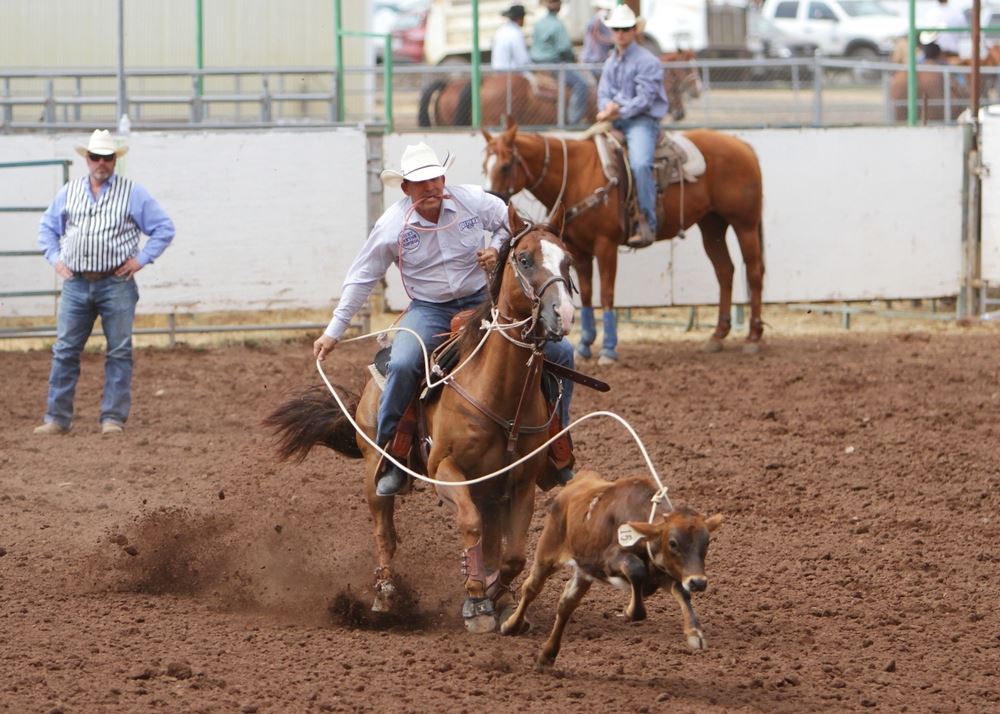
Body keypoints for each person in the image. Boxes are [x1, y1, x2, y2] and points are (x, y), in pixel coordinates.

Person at [313, 143, 575, 497]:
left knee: (560, 353)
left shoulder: (474, 200)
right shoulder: (392, 225)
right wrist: (334, 331)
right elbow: (362, 275)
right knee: (404, 363)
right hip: (429, 308)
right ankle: (392, 454)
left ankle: (557, 445)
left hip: (482, 301)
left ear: (443, 178)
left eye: (435, 180)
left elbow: (512, 228)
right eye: (421, 183)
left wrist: (497, 249)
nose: (431, 188)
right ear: (406, 188)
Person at [34, 129, 175, 436]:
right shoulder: (69, 192)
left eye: (107, 157)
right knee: (65, 350)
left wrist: (140, 260)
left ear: (115, 160)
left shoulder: (133, 193)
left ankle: (112, 418)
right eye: (96, 157)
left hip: (116, 282)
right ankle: (57, 418)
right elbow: (46, 228)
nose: (101, 162)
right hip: (76, 281)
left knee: (119, 351)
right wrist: (56, 258)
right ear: (87, 159)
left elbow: (164, 228)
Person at [597, 3, 669, 249]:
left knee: (639, 163)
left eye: (625, 28)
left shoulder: (648, 61)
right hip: (616, 120)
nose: (620, 33)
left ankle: (647, 221)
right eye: (616, 28)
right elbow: (603, 93)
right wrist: (608, 108)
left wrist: (616, 108)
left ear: (634, 30)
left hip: (642, 121)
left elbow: (645, 99)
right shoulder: (610, 62)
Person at [531, 0, 590, 125]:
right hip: (553, 63)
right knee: (582, 84)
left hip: (537, 63)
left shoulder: (538, 23)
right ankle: (574, 120)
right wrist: (573, 59)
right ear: (559, 7)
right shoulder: (558, 25)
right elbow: (564, 48)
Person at [492, 4, 531, 71]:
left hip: (497, 69)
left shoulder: (501, 30)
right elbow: (522, 58)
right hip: (511, 72)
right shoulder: (516, 33)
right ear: (520, 19)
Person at [582, 0, 615, 75]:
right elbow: (593, 32)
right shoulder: (592, 22)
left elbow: (611, 41)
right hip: (592, 60)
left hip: (601, 60)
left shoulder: (607, 25)